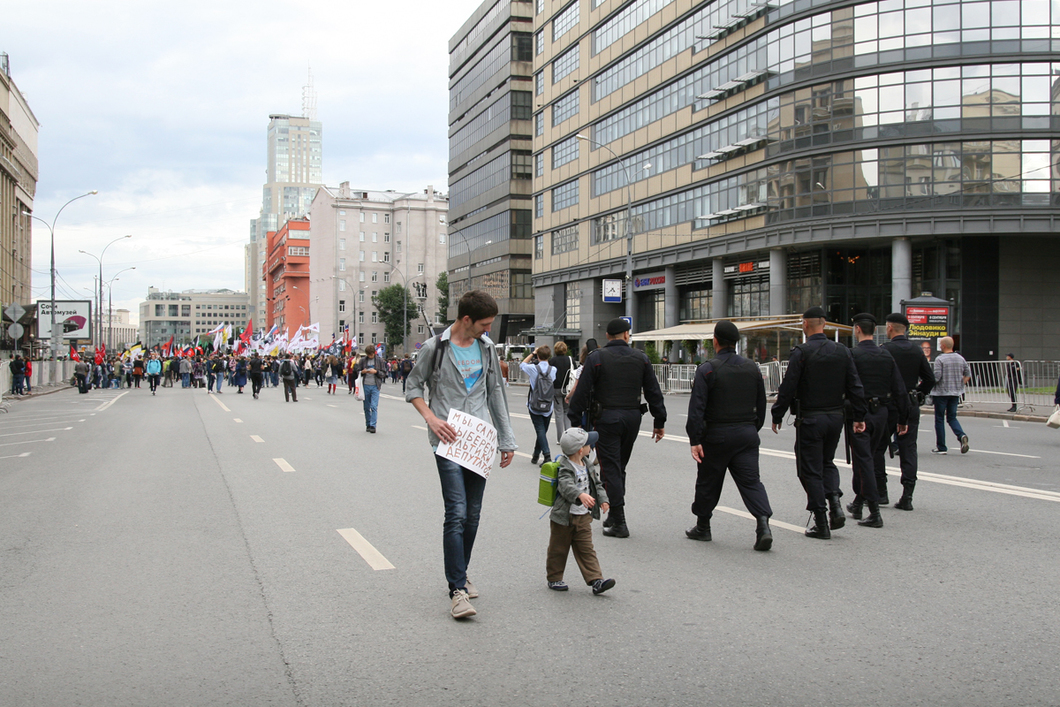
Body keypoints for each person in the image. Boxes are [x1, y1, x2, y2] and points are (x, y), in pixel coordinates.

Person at [405, 290, 517, 620]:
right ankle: (457, 589)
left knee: (473, 513)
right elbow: (413, 387)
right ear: (465, 320)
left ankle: (461, 571)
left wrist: (506, 440)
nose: (488, 330)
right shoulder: (434, 349)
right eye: (484, 324)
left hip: (479, 439)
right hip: (449, 440)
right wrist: (431, 418)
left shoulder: (486, 349)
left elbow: (494, 392)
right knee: (456, 511)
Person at [771, 307, 867, 539]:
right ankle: (834, 502)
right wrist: (860, 416)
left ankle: (821, 520)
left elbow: (789, 386)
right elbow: (855, 385)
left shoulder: (801, 352)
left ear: (805, 324)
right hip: (836, 418)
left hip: (811, 418)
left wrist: (777, 414)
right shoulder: (843, 351)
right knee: (827, 462)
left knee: (809, 468)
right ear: (824, 324)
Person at [567, 319, 666, 539]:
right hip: (632, 418)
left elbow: (581, 393)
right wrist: (659, 420)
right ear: (626, 335)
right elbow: (653, 391)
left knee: (611, 467)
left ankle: (619, 520)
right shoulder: (641, 358)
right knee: (618, 466)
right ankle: (612, 513)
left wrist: (574, 422)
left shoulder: (597, 358)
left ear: (609, 336)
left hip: (607, 419)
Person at [685, 321, 773, 551]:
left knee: (708, 482)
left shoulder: (708, 369)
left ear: (715, 341)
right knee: (751, 481)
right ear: (736, 343)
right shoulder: (752, 368)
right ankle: (763, 524)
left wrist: (695, 439)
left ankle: (703, 527)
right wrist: (752, 429)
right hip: (746, 434)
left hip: (716, 435)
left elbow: (697, 409)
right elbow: (761, 405)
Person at [847, 314, 909, 523]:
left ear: (857, 330)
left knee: (863, 461)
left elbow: (849, 386)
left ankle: (873, 512)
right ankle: (857, 503)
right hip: (882, 413)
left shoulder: (852, 355)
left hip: (860, 414)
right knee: (870, 457)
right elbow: (899, 389)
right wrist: (903, 418)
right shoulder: (885, 355)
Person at [546, 427, 616, 595]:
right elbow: (565, 485)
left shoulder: (587, 464)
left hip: (583, 516)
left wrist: (603, 500)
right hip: (564, 517)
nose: (591, 447)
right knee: (558, 549)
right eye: (588, 444)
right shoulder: (565, 466)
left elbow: (597, 484)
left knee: (586, 549)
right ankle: (554, 578)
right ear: (579, 450)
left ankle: (596, 580)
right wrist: (580, 495)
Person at [881, 313, 935, 506]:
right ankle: (907, 495)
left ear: (889, 328)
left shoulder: (885, 350)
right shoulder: (916, 350)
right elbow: (929, 378)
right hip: (910, 402)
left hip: (888, 403)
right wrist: (918, 394)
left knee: (879, 447)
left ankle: (881, 492)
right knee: (908, 448)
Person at [930, 336, 971, 455]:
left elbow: (937, 377)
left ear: (943, 346)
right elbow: (968, 374)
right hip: (955, 392)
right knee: (952, 417)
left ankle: (941, 447)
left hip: (941, 393)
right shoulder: (960, 358)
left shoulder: (940, 359)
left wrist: (928, 383)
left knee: (939, 419)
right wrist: (960, 384)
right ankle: (961, 435)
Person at [521, 345, 558, 465]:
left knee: (540, 430)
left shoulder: (533, 368)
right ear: (549, 356)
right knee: (542, 431)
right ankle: (536, 455)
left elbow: (522, 364)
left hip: (535, 404)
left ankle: (547, 456)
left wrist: (532, 353)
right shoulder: (553, 370)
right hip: (548, 405)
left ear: (538, 356)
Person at [358, 345, 387, 433]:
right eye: (368, 355)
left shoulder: (379, 360)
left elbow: (384, 373)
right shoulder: (363, 360)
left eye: (371, 355)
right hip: (365, 385)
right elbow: (357, 371)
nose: (370, 356)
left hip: (375, 386)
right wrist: (362, 372)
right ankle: (368, 424)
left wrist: (376, 372)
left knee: (374, 406)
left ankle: (373, 425)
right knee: (366, 407)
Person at [551, 342, 575, 444]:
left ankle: (560, 438)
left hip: (556, 389)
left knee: (558, 413)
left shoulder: (552, 361)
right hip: (568, 389)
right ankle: (568, 436)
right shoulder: (570, 360)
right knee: (567, 412)